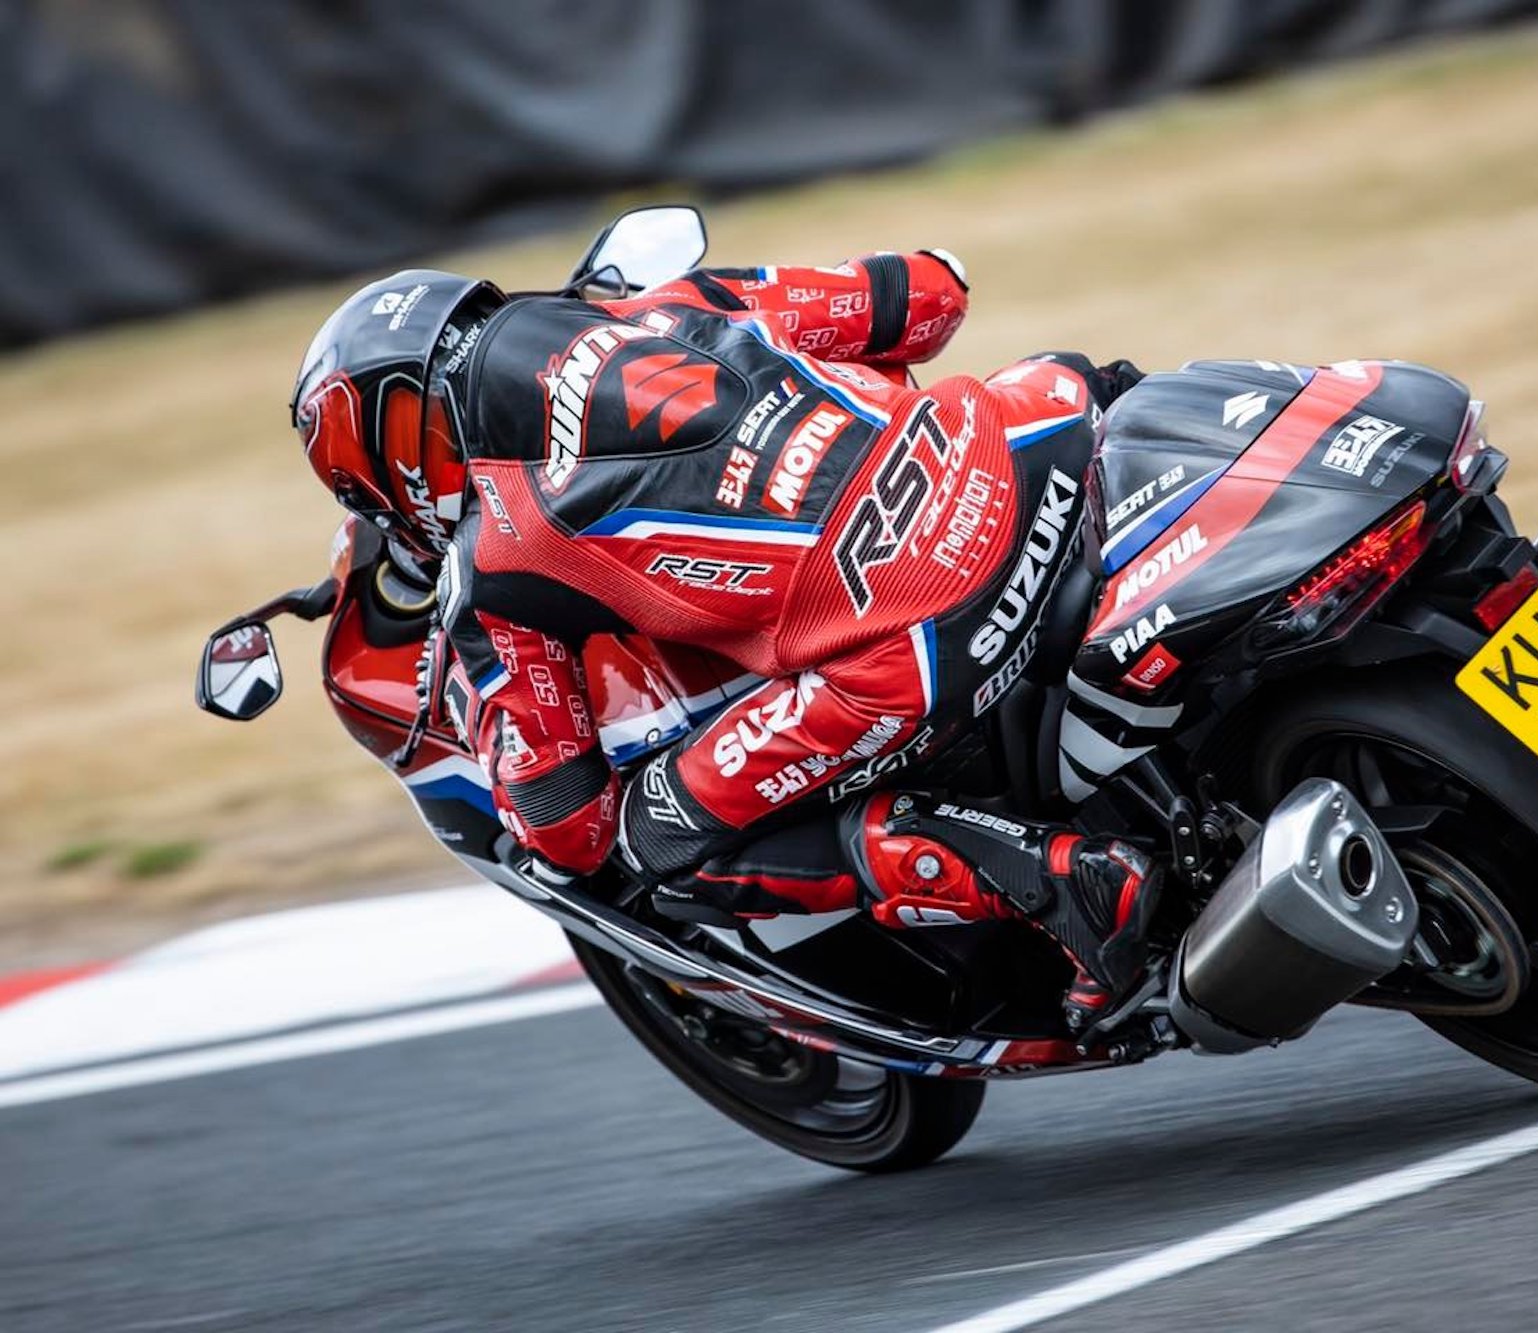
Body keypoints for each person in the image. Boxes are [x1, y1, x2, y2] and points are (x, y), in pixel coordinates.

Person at [290, 249, 1159, 1026]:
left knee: (649, 848)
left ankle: (1062, 883)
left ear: (388, 471)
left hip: (917, 638)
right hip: (1032, 444)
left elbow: (565, 824)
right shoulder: (680, 301)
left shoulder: (494, 566)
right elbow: (929, 293)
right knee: (1066, 373)